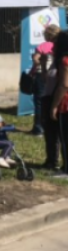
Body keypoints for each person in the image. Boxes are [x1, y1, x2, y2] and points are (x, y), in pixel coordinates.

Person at [39, 26, 63, 170]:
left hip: (56, 99)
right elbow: (45, 79)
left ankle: (54, 161)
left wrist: (55, 104)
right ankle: (51, 160)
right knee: (49, 132)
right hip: (48, 96)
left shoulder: (62, 62)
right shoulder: (54, 62)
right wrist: (42, 64)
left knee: (56, 132)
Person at [31, 24, 60, 137]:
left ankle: (38, 128)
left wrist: (41, 63)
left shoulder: (43, 45)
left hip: (41, 74)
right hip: (55, 75)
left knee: (39, 101)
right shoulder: (59, 46)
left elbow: (35, 58)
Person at [49, 30, 68, 177]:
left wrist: (54, 106)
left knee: (65, 137)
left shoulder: (64, 61)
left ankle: (66, 169)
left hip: (66, 103)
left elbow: (64, 85)